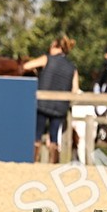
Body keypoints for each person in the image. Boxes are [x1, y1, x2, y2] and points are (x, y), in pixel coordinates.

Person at [23, 34, 80, 163]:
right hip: (60, 107)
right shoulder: (72, 67)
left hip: (42, 104)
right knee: (54, 136)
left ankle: (33, 160)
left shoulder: (47, 59)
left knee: (37, 135)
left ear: (56, 47)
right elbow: (75, 89)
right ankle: (52, 162)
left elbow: (26, 66)